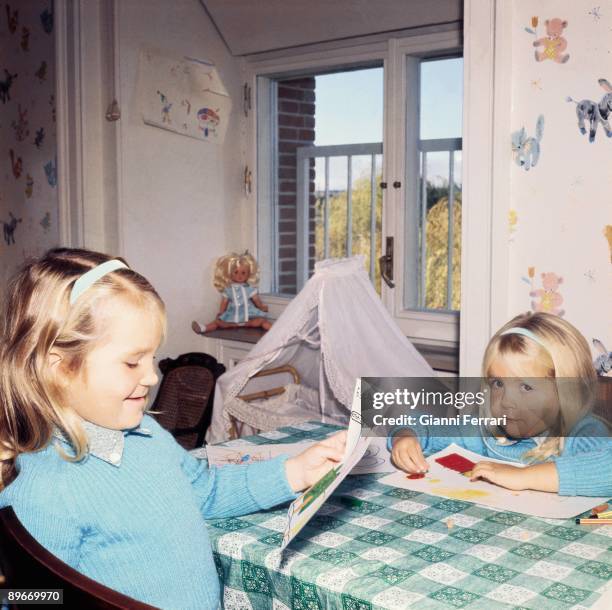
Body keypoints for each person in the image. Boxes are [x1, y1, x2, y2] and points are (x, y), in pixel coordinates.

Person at [0, 248, 346, 609]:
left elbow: (204, 491)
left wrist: (294, 472)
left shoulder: (147, 435)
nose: (151, 376)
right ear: (59, 368)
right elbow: (27, 597)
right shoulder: (44, 492)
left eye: (151, 357)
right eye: (132, 362)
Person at [389, 312, 612, 496]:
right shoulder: (488, 432)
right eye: (498, 383)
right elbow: (429, 427)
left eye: (525, 387)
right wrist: (407, 435)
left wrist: (522, 477)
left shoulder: (582, 433)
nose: (506, 401)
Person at [192, 251, 271, 334]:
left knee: (262, 321)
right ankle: (204, 328)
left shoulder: (249, 289)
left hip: (249, 317)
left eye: (243, 273)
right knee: (218, 322)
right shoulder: (228, 289)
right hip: (232, 318)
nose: (239, 276)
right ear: (230, 273)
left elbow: (256, 300)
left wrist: (261, 307)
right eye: (236, 272)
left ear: (248, 274)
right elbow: (224, 302)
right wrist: (221, 313)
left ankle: (276, 331)